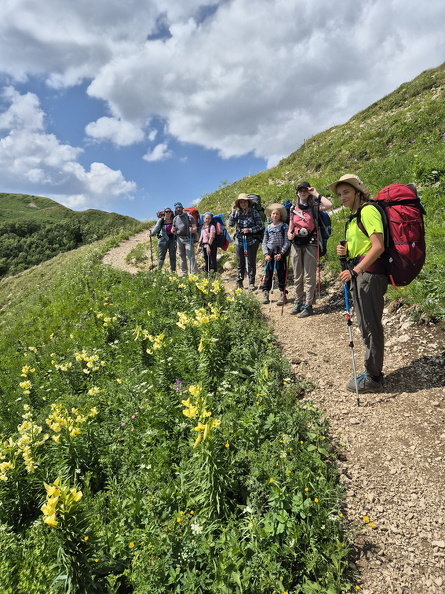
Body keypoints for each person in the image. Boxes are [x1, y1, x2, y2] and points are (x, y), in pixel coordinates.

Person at [330, 174, 387, 394]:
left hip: (369, 276)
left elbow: (378, 246)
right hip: (361, 275)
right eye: (339, 194)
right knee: (365, 324)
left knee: (370, 326)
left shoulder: (368, 211)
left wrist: (356, 269)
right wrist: (346, 253)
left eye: (346, 192)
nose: (342, 197)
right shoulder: (354, 217)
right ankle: (372, 371)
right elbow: (363, 247)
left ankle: (374, 377)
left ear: (357, 192)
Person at [288, 181, 332, 318]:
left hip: (311, 243)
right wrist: (289, 234)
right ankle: (298, 301)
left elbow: (329, 205)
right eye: (300, 191)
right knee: (297, 274)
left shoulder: (315, 207)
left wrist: (316, 193)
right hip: (296, 242)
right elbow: (290, 226)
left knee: (309, 274)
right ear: (297, 193)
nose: (303, 193)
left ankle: (308, 304)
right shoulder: (293, 209)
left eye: (305, 191)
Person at [228, 193, 264, 289]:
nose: (243, 204)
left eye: (245, 202)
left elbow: (261, 225)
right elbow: (230, 224)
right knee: (240, 262)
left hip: (252, 240)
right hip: (239, 240)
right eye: (241, 202)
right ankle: (239, 282)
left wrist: (249, 230)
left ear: (248, 202)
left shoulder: (254, 212)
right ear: (239, 204)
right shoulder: (237, 213)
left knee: (251, 262)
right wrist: (233, 212)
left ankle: (251, 283)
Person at [261, 203, 290, 305]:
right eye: (273, 213)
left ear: (280, 215)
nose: (275, 215)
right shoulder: (268, 228)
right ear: (270, 215)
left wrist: (282, 253)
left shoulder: (284, 226)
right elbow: (264, 242)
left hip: (280, 253)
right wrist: (266, 254)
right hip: (270, 252)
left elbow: (287, 241)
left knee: (281, 273)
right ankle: (265, 292)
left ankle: (283, 293)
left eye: (277, 214)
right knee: (268, 273)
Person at [172, 202, 198, 275]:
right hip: (179, 239)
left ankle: (194, 272)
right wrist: (173, 231)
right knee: (181, 255)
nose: (178, 209)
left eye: (179, 207)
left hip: (188, 238)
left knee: (190, 255)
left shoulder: (189, 217)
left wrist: (192, 230)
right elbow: (174, 229)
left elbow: (195, 227)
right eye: (177, 208)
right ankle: (184, 272)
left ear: (182, 208)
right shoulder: (175, 219)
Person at [149, 208, 177, 272]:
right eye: (166, 212)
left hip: (172, 240)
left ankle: (173, 271)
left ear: (171, 213)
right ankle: (159, 271)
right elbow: (157, 227)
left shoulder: (174, 220)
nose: (168, 213)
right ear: (164, 213)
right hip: (163, 240)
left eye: (169, 212)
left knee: (173, 256)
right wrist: (152, 234)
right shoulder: (161, 220)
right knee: (161, 256)